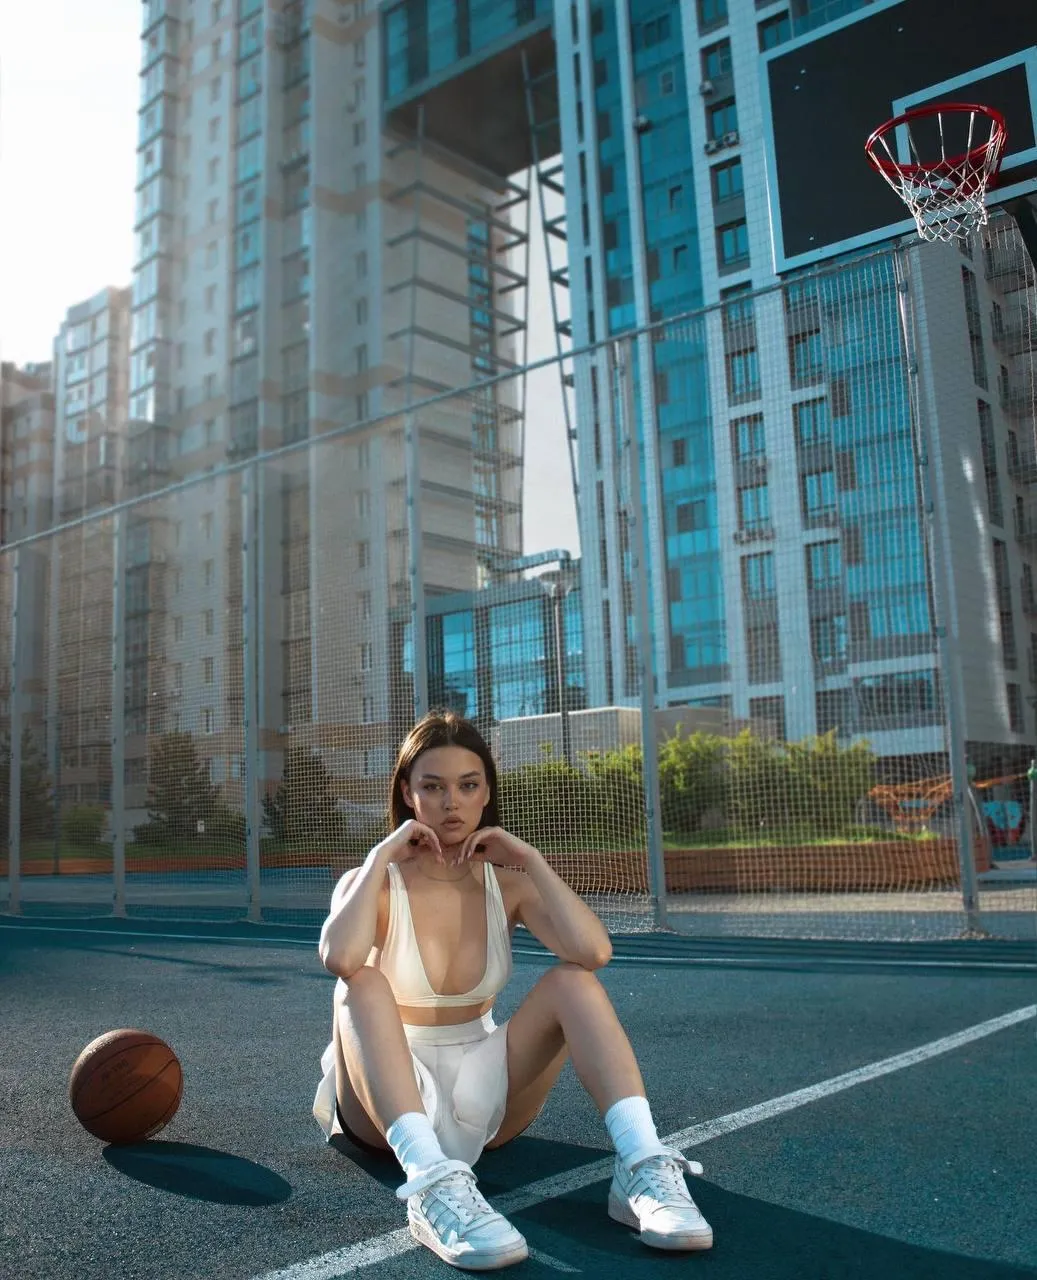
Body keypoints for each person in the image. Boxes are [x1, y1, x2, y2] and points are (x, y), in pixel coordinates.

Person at [314, 710, 712, 1270]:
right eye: (433, 786)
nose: (452, 802)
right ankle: (430, 1184)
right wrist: (380, 856)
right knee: (361, 984)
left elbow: (594, 952)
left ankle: (640, 1165)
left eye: (468, 785)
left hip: (485, 1091)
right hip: (384, 1099)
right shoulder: (370, 881)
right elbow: (340, 957)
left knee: (574, 981)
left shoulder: (510, 885)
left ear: (486, 795)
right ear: (408, 794)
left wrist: (530, 860)